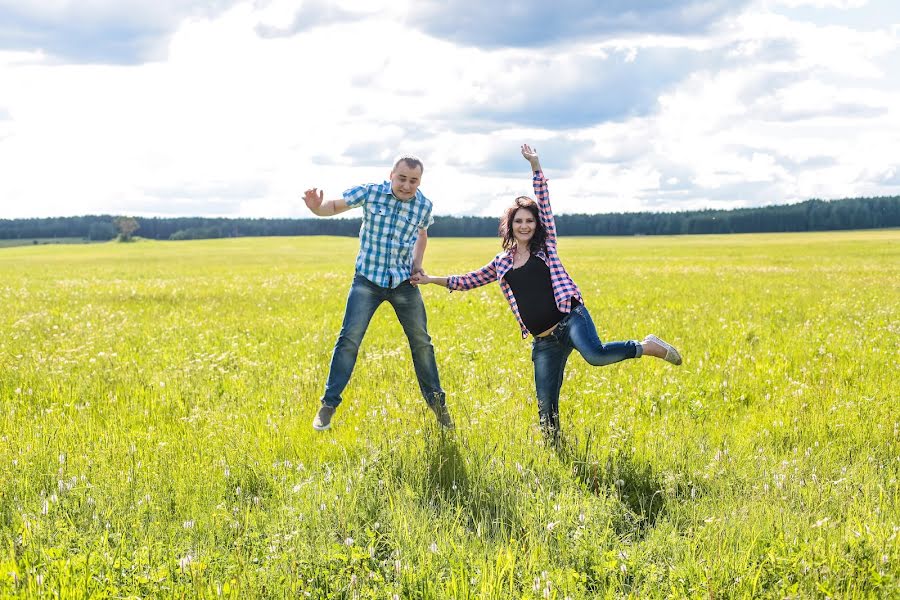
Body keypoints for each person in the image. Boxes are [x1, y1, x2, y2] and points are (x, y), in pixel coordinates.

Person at [412, 144, 681, 437]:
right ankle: (554, 450)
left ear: (537, 224)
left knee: (596, 355)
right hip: (543, 341)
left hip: (570, 319)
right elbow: (466, 280)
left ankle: (647, 346)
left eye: (530, 221)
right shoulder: (502, 262)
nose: (525, 226)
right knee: (546, 407)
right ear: (510, 226)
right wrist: (430, 279)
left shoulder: (546, 246)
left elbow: (544, 199)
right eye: (519, 221)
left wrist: (535, 165)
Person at [303, 154, 452, 431]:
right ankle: (328, 405)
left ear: (420, 180)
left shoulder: (424, 206)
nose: (407, 186)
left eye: (414, 180)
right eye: (402, 178)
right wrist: (316, 208)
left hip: (403, 284)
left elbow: (422, 233)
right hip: (367, 281)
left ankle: (439, 407)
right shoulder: (371, 192)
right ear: (391, 175)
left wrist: (418, 265)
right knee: (349, 339)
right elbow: (334, 205)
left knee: (422, 343)